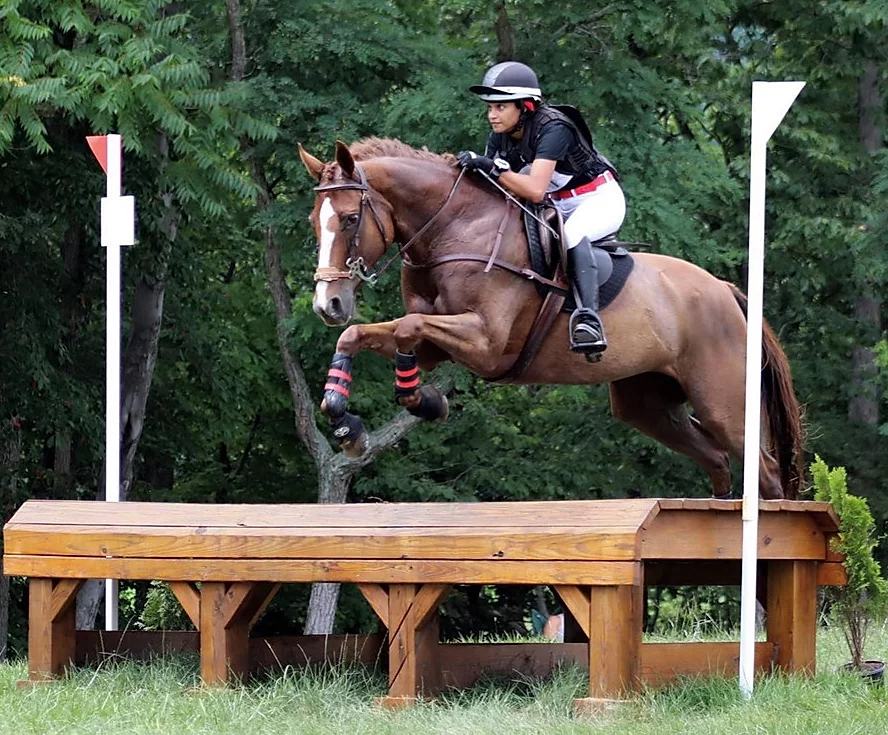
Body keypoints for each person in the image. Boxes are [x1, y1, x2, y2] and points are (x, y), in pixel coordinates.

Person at [457, 61, 626, 355]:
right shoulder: (501, 134)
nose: (491, 115)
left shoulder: (554, 127)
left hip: (596, 199)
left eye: (500, 107)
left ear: (525, 106)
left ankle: (589, 319)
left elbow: (534, 190)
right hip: (556, 201)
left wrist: (492, 169)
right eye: (490, 107)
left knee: (572, 235)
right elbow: (495, 190)